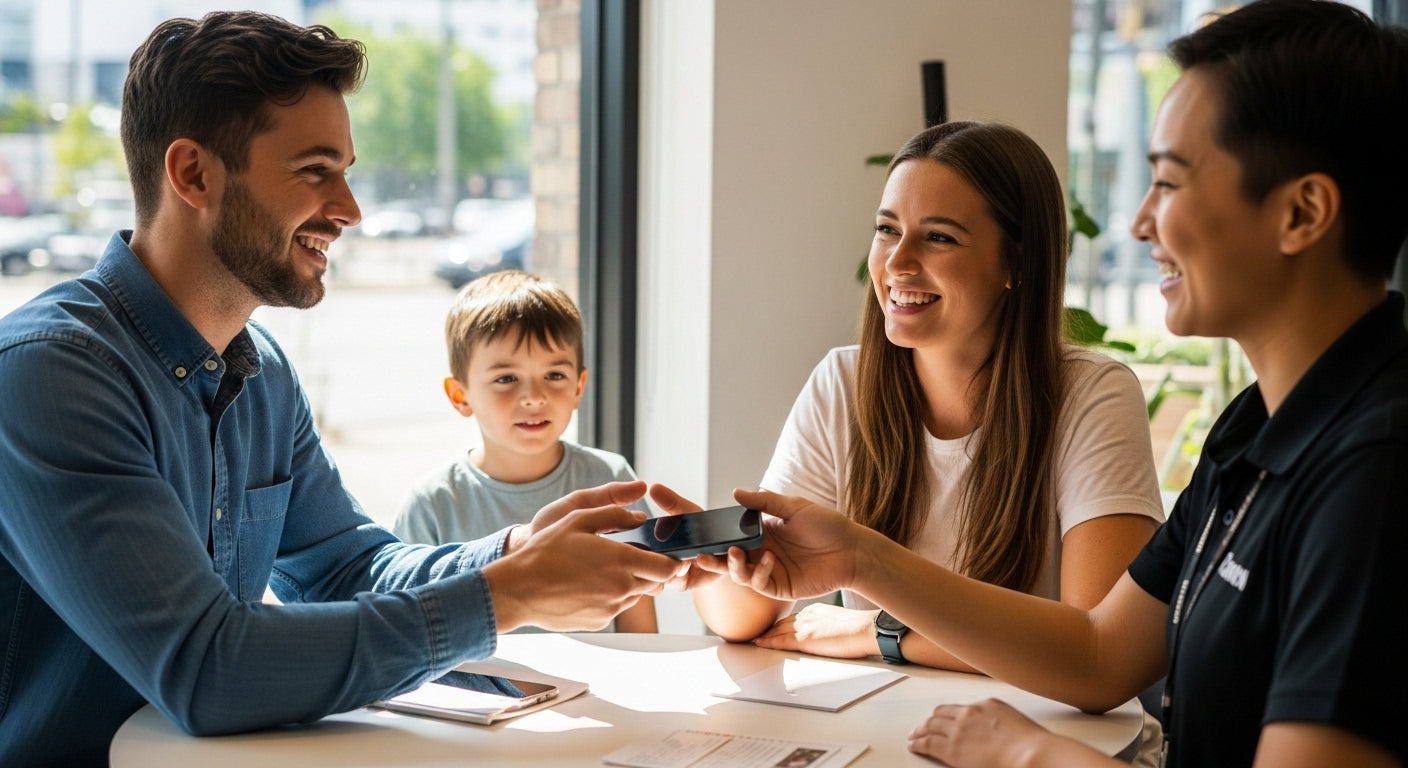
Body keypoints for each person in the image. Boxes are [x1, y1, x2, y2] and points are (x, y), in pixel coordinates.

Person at [683, 1, 1408, 766]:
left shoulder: (1377, 469)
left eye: (1168, 181)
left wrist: (1035, 755)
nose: (1138, 223)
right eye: (889, 229)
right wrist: (860, 560)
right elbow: (1099, 654)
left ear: (1303, 212)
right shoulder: (1254, 430)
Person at [0, 12, 683, 765]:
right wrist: (507, 597)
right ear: (193, 174)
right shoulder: (51, 374)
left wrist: (519, 552)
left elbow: (346, 568)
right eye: (315, 171)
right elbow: (206, 670)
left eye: (346, 170)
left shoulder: (260, 369)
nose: (350, 209)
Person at [692, 120, 1164, 676]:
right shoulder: (842, 383)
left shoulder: (1090, 394)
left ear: (1017, 263)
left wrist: (878, 631)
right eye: (887, 229)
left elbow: (1096, 651)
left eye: (939, 237)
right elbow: (744, 620)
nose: (896, 263)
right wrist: (713, 557)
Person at [392, 269, 657, 632]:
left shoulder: (610, 480)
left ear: (579, 387)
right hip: (475, 689)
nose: (534, 396)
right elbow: (412, 626)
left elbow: (638, 620)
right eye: (506, 379)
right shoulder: (433, 503)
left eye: (554, 375)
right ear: (460, 395)